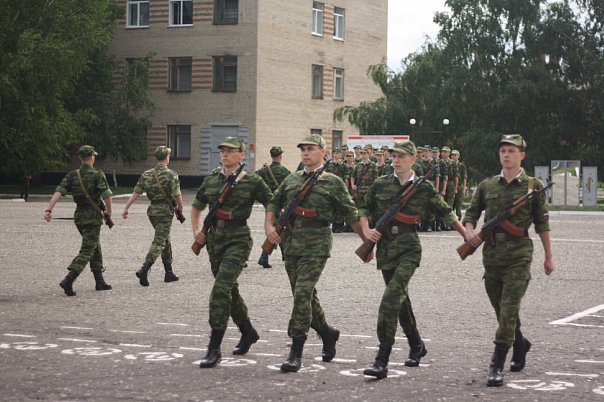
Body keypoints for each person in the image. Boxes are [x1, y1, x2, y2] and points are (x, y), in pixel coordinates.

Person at [358, 140, 466, 379]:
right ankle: (417, 344)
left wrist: (466, 235)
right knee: (401, 300)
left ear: (413, 159)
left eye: (402, 156)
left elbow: (446, 212)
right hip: (386, 249)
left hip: (409, 249)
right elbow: (363, 209)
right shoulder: (380, 183)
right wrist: (366, 232)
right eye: (394, 156)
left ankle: (382, 360)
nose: (396, 160)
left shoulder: (423, 188)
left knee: (390, 299)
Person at [264, 134, 368, 373]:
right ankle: (327, 333)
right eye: (303, 149)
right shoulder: (292, 179)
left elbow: (351, 214)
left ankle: (296, 350)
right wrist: (269, 226)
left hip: (318, 243)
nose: (306, 153)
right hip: (292, 243)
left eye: (311, 149)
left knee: (302, 293)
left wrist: (367, 243)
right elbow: (273, 202)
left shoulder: (332, 182)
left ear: (323, 151)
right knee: (306, 296)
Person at [462, 134, 554, 387]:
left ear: (522, 155)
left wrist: (548, 256)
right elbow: (471, 214)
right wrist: (469, 232)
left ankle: (496, 364)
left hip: (519, 256)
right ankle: (520, 343)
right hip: (491, 257)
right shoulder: (487, 185)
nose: (506, 155)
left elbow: (542, 224)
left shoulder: (533, 187)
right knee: (503, 311)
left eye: (511, 151)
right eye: (503, 150)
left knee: (509, 309)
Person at [191, 137, 273, 368]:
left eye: (230, 151)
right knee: (230, 290)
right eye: (222, 151)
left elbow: (272, 203)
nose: (225, 154)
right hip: (214, 240)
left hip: (238, 239)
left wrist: (269, 225)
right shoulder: (211, 180)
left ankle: (214, 348)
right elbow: (197, 205)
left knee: (220, 290)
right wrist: (197, 231)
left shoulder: (252, 181)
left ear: (241, 154)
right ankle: (248, 331)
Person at [44, 145, 113, 296]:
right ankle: (69, 279)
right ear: (92, 157)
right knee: (88, 249)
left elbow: (59, 191)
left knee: (94, 245)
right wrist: (109, 211)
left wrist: (49, 209)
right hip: (92, 217)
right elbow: (107, 195)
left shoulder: (72, 175)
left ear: (80, 158)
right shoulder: (97, 174)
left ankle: (99, 281)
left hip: (79, 216)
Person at [122, 146, 183, 286]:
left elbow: (136, 192)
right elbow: (177, 194)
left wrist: (126, 207)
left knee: (165, 239)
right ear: (167, 157)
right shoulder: (171, 174)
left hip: (153, 211)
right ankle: (144, 269)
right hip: (165, 212)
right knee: (159, 241)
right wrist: (180, 208)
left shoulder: (147, 174)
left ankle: (169, 273)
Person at [255, 146, 291, 267]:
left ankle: (284, 254)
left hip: (269, 204)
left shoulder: (263, 171)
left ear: (271, 156)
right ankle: (264, 256)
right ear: (280, 156)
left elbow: (254, 180)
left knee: (279, 228)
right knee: (277, 228)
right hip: (281, 205)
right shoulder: (285, 171)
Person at [451, 150, 467, 220]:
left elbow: (464, 178)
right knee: (451, 205)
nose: (453, 157)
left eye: (455, 155)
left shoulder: (461, 166)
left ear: (458, 156)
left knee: (458, 205)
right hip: (451, 186)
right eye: (452, 155)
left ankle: (458, 220)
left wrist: (464, 188)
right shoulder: (450, 165)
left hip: (459, 187)